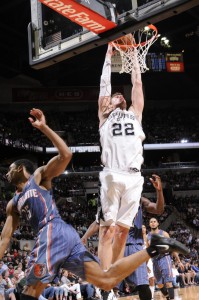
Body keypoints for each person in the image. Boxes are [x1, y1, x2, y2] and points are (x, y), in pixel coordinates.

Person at [0, 108, 189, 300]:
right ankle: (155, 248)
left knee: (28, 292)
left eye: (10, 168)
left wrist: (44, 128)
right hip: (66, 237)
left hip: (52, 231)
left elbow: (66, 155)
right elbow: (4, 239)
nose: (7, 173)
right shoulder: (12, 204)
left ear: (21, 168)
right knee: (106, 281)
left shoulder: (38, 176)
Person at [98, 42, 145, 270]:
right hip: (112, 174)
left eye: (119, 95)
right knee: (108, 229)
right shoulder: (104, 115)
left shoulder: (135, 113)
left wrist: (134, 55)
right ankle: (104, 277)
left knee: (124, 231)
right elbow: (104, 86)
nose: (116, 95)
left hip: (134, 177)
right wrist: (108, 55)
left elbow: (137, 83)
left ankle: (113, 276)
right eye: (113, 96)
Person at [82, 174, 164, 300]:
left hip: (134, 247)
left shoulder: (139, 200)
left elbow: (158, 209)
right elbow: (99, 222)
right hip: (115, 247)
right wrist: (85, 236)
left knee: (142, 285)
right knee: (109, 286)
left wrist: (159, 191)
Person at [147, 218, 185, 300]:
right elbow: (147, 251)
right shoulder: (148, 236)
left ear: (157, 223)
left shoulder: (164, 233)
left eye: (154, 221)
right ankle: (168, 297)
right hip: (154, 260)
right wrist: (146, 264)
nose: (153, 223)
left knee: (168, 282)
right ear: (149, 224)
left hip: (165, 258)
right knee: (160, 284)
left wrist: (179, 261)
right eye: (151, 222)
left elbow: (173, 248)